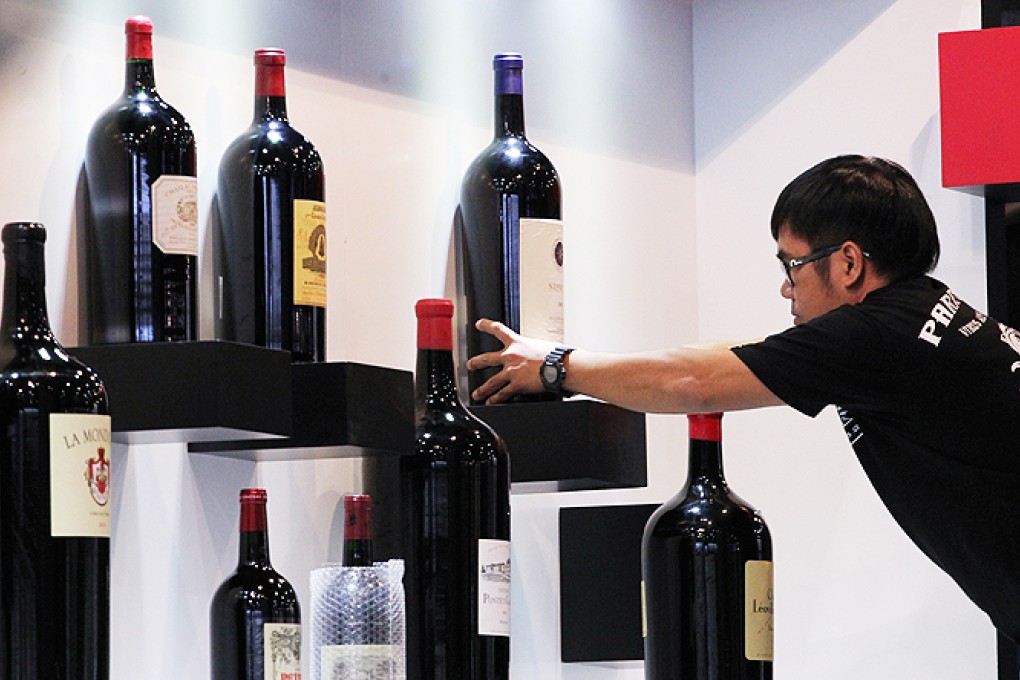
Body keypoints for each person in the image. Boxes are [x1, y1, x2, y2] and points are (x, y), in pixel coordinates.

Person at [466, 155, 1020, 648]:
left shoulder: (876, 337)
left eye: (792, 265)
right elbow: (733, 357)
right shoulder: (918, 319)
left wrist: (557, 367)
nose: (786, 288)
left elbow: (693, 382)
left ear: (848, 263)